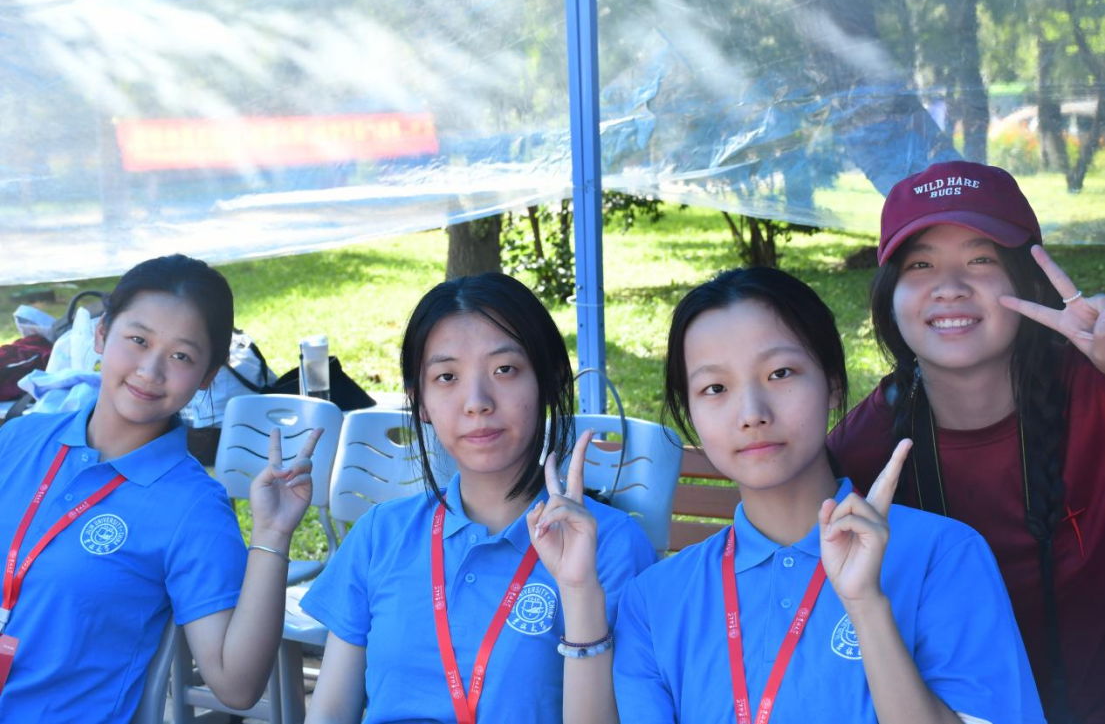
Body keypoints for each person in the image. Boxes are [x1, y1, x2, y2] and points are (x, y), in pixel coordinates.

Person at [614, 266, 1043, 722]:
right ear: (690, 412)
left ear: (834, 384)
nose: (752, 413)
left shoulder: (944, 556)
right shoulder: (653, 601)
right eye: (715, 388)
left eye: (780, 373)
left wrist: (866, 606)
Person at [301, 272, 655, 724]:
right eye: (447, 376)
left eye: (504, 370)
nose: (477, 401)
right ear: (420, 402)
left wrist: (579, 591)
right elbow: (329, 712)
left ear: (546, 380)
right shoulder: (380, 534)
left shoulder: (612, 545)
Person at [828, 161, 1105, 724]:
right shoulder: (862, 449)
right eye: (921, 264)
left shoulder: (1093, 387)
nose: (950, 288)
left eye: (981, 260)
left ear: (1027, 281)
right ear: (890, 296)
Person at [0, 254, 321, 722]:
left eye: (181, 356)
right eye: (138, 340)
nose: (150, 370)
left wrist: (271, 536)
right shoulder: (17, 440)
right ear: (101, 334)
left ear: (208, 376)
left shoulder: (192, 507)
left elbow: (236, 685)